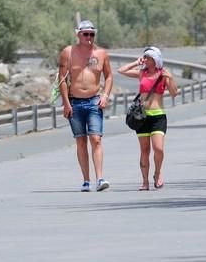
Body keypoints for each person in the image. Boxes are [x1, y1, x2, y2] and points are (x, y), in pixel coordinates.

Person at [57, 20, 113, 192]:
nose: (89, 37)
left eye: (91, 34)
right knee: (81, 141)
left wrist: (105, 95)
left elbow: (109, 76)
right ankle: (86, 180)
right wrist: (66, 103)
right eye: (85, 34)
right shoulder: (68, 52)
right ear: (78, 34)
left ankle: (100, 178)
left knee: (96, 139)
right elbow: (62, 80)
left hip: (93, 101)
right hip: (75, 102)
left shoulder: (101, 53)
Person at [117, 46, 178, 190]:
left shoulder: (163, 74)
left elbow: (174, 93)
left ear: (155, 59)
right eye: (145, 57)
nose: (146, 60)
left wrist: (171, 78)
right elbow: (121, 70)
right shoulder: (141, 73)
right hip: (142, 117)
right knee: (144, 150)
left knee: (159, 149)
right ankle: (145, 181)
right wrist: (135, 62)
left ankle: (157, 173)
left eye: (148, 58)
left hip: (158, 116)